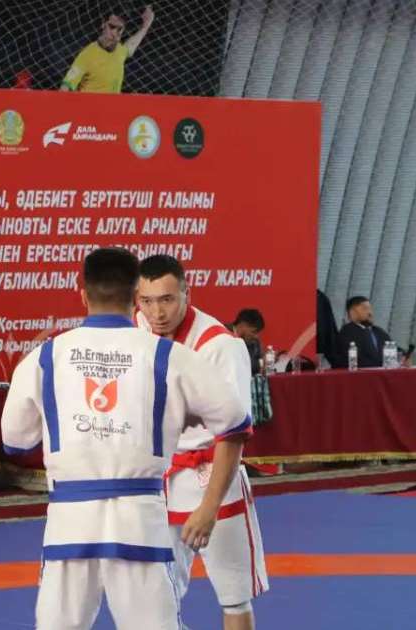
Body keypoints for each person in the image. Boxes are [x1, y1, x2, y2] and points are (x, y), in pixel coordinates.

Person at [1, 247, 250, 630]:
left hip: (70, 520)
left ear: (82, 293)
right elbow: (234, 422)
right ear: (136, 295)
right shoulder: (168, 356)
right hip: (139, 518)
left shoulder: (44, 357)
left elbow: (14, 440)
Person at [136, 255, 268, 630]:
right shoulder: (135, 331)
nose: (156, 312)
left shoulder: (220, 346)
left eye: (166, 299)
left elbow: (234, 432)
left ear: (186, 294)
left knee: (234, 595)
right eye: (146, 301)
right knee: (153, 597)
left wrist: (209, 508)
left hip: (211, 474)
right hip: (157, 476)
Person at [60, 6, 154, 94]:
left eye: (119, 29)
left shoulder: (119, 51)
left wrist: (146, 25)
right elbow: (65, 87)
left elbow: (130, 46)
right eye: (112, 27)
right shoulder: (87, 55)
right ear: (103, 24)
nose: (114, 33)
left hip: (112, 108)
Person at [332, 296, 408, 368]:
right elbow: (355, 360)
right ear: (353, 313)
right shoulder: (347, 332)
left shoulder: (378, 331)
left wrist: (404, 355)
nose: (370, 313)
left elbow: (392, 347)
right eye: (365, 309)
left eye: (370, 309)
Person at [230, 308, 264, 376]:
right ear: (243, 325)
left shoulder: (255, 342)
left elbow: (258, 367)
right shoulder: (222, 336)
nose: (256, 336)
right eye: (254, 332)